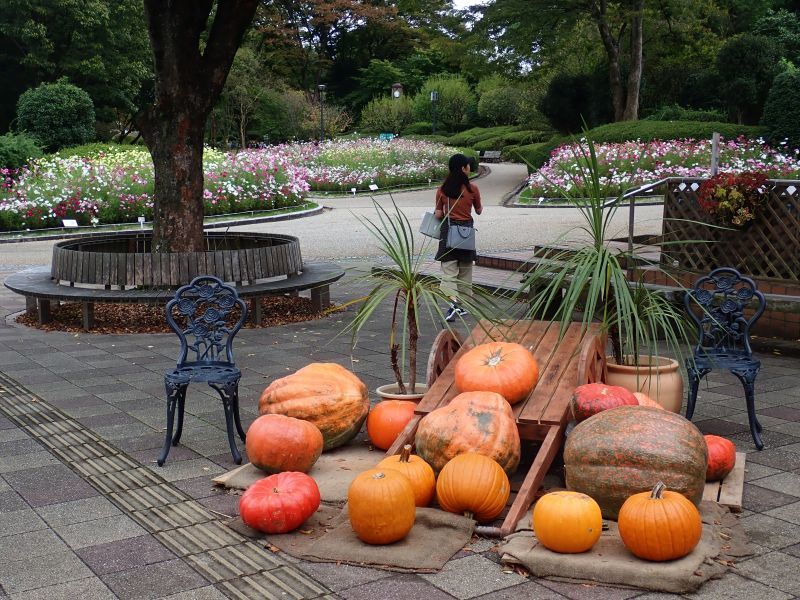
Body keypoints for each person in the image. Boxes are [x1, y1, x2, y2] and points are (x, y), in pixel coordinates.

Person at [434, 153, 482, 322]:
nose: (469, 169)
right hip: (466, 232)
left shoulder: (442, 189)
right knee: (466, 271)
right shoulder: (473, 188)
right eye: (468, 166)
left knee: (449, 271)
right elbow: (478, 210)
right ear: (463, 168)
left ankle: (453, 303)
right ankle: (463, 306)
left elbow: (439, 214)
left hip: (449, 232)